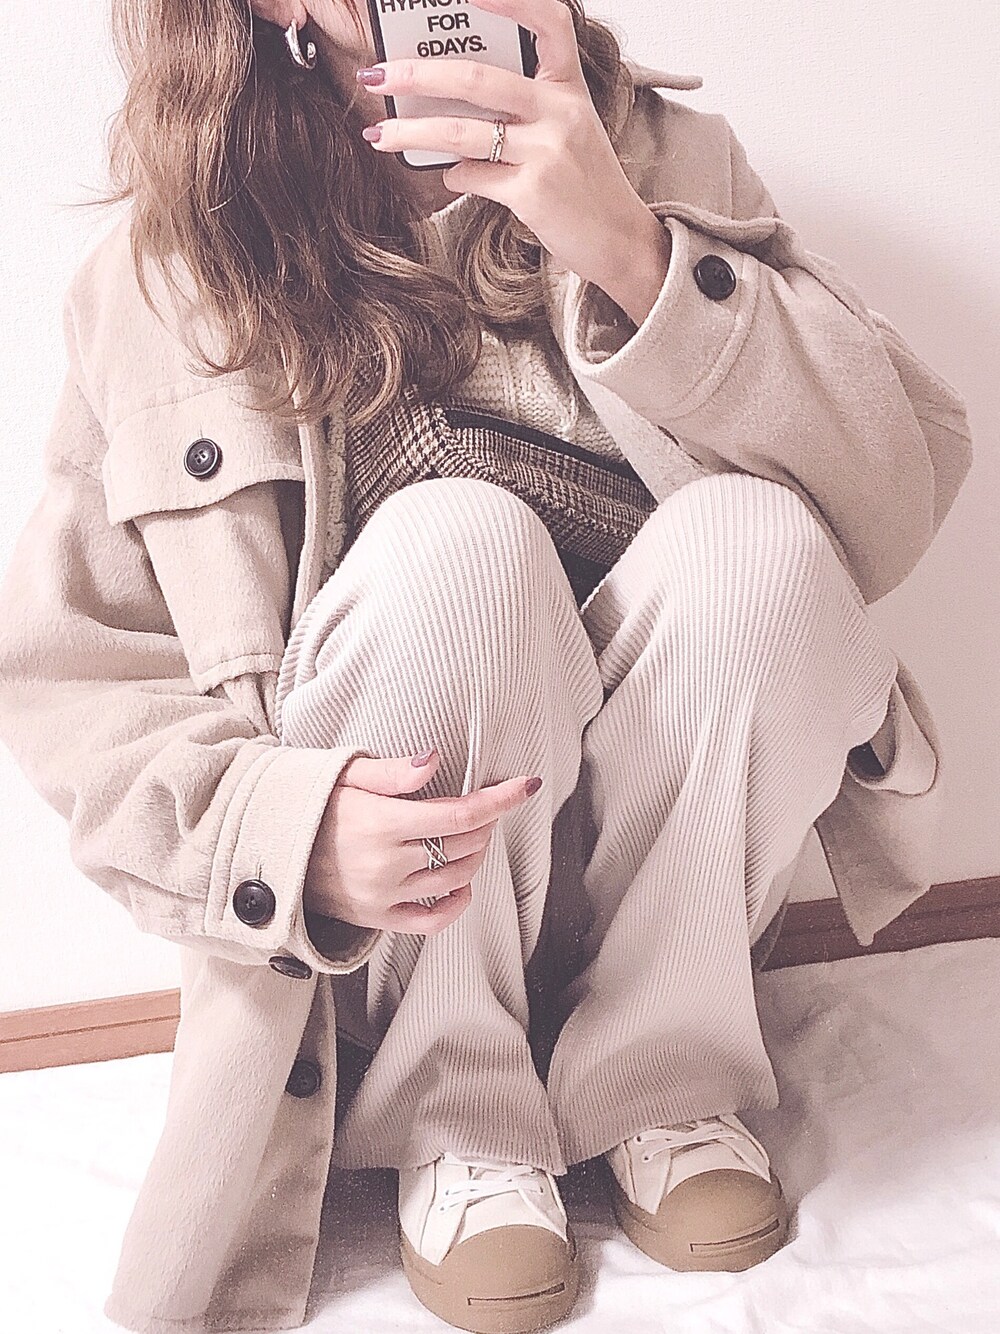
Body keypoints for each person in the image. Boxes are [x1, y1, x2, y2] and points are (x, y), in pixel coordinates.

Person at [0, 1, 972, 1332]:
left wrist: (628, 244)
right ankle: (456, 1107)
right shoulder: (174, 267)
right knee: (460, 543)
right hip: (404, 924)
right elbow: (77, 682)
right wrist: (286, 833)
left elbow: (891, 501)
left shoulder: (662, 157)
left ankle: (662, 1075)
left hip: (670, 869)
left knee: (761, 542)